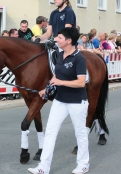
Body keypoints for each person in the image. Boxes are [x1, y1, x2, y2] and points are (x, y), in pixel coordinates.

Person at [28, 27, 89, 174]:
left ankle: (83, 164)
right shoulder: (60, 55)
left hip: (77, 101)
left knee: (80, 133)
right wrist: (47, 89)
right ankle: (43, 167)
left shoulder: (79, 58)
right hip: (60, 100)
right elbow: (55, 77)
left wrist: (61, 83)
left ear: (69, 41)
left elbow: (81, 82)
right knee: (50, 132)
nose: (56, 39)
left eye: (59, 37)